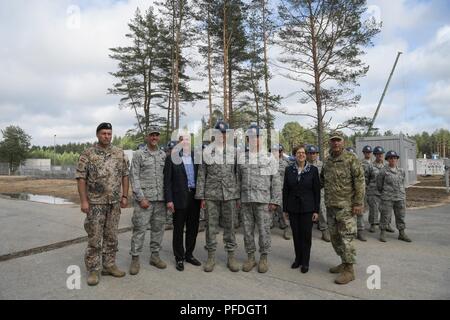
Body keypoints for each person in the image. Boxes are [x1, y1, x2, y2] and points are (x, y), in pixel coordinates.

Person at [76, 122, 129, 286]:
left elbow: (125, 175)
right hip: (95, 203)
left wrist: (125, 196)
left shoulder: (119, 153)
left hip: (113, 203)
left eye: (109, 133)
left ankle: (109, 265)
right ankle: (93, 269)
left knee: (112, 236)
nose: (107, 136)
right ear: (97, 135)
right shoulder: (88, 154)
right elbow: (81, 178)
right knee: (95, 237)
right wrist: (84, 201)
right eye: (104, 133)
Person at [196, 120, 240, 272]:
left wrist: (238, 196)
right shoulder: (207, 152)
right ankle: (211, 256)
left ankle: (231, 257)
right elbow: (202, 174)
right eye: (218, 133)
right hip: (211, 195)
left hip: (229, 194)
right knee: (211, 226)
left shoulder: (234, 152)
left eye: (224, 133)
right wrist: (201, 197)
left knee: (230, 226)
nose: (221, 135)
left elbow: (238, 174)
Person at [321, 133, 365, 285]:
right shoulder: (327, 161)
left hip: (346, 207)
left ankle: (350, 270)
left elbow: (359, 181)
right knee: (335, 238)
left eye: (338, 140)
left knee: (347, 238)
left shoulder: (351, 159)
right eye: (333, 141)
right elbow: (321, 181)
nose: (335, 143)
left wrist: (358, 203)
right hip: (331, 206)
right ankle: (344, 262)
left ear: (343, 142)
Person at [237, 124, 281, 273]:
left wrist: (275, 201)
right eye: (251, 137)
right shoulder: (242, 157)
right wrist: (238, 198)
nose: (254, 140)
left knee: (264, 231)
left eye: (257, 137)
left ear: (261, 139)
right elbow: (238, 179)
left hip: (263, 201)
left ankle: (263, 258)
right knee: (247, 231)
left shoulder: (269, 157)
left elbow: (275, 180)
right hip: (246, 200)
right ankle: (250, 257)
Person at [129, 127, 167, 275]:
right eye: (152, 135)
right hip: (144, 201)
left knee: (158, 230)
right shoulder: (139, 155)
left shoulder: (163, 155)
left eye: (157, 135)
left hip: (160, 200)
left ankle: (155, 256)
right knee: (139, 230)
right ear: (147, 137)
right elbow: (134, 177)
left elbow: (166, 177)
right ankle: (135, 258)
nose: (154, 137)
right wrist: (141, 197)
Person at [164, 134, 202, 271]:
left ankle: (189, 255)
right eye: (183, 140)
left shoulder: (196, 157)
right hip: (179, 197)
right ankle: (179, 257)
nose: (186, 142)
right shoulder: (172, 158)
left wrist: (202, 196)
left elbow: (201, 178)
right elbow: (167, 181)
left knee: (193, 228)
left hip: (194, 197)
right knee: (179, 229)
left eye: (188, 140)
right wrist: (169, 200)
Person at [283, 145, 320, 274]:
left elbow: (316, 191)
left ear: (306, 155)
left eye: (303, 153)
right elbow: (286, 190)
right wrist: (285, 209)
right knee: (296, 235)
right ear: (294, 155)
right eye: (298, 152)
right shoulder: (289, 170)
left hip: (307, 208)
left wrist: (316, 210)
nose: (301, 155)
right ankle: (297, 259)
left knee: (306, 236)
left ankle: (305, 262)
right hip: (293, 208)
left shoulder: (313, 170)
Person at [377, 151, 412, 243]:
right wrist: (386, 192)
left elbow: (402, 182)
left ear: (397, 159)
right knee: (385, 215)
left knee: (401, 216)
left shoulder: (401, 171)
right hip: (387, 198)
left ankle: (402, 233)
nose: (393, 159)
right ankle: (383, 232)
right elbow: (379, 185)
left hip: (400, 197)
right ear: (387, 159)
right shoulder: (383, 171)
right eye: (391, 158)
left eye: (395, 158)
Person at [366, 146, 394, 233]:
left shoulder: (387, 166)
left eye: (381, 154)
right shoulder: (370, 166)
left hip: (385, 191)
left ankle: (387, 224)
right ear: (375, 155)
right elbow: (366, 178)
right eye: (378, 154)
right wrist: (367, 188)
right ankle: (373, 224)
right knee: (373, 209)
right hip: (373, 191)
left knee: (386, 209)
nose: (380, 155)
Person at [306, 145, 330, 242]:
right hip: (306, 191)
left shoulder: (321, 164)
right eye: (310, 153)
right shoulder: (303, 164)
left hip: (319, 191)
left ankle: (324, 230)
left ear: (317, 154)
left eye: (314, 153)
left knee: (322, 209)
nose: (312, 155)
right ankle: (306, 231)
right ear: (307, 154)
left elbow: (326, 178)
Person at [271, 144, 292, 241]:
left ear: (282, 151)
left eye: (279, 151)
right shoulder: (267, 161)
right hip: (270, 188)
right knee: (269, 208)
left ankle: (286, 228)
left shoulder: (287, 162)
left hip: (283, 188)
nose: (277, 153)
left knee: (284, 208)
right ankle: (270, 223)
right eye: (275, 151)